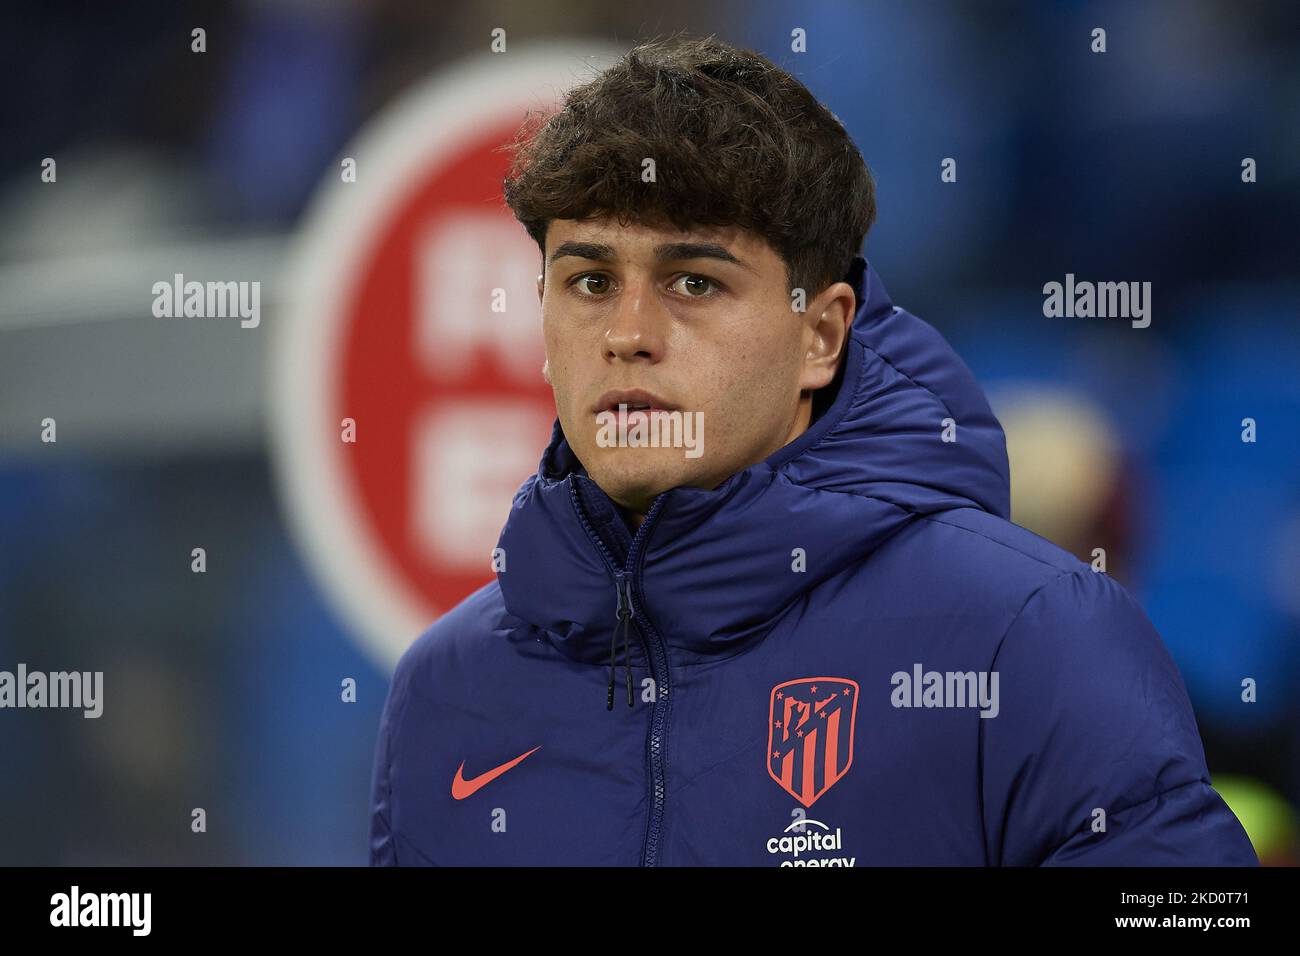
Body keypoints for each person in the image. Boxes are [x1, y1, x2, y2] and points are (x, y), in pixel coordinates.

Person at [368, 34, 1257, 866]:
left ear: (823, 333)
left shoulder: (1029, 635)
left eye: (693, 282)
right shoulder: (447, 692)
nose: (628, 334)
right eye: (591, 281)